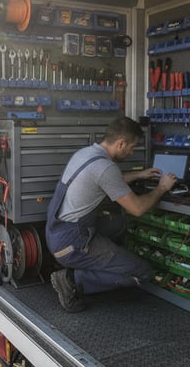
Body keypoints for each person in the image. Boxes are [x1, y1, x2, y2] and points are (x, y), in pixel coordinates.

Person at [46, 117, 178, 312]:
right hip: (72, 243)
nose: (131, 152)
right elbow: (138, 209)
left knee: (119, 223)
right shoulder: (105, 167)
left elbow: (107, 179)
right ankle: (71, 280)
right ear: (121, 143)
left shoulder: (86, 153)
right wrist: (162, 188)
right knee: (143, 272)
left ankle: (113, 261)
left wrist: (139, 174)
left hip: (57, 232)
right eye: (131, 147)